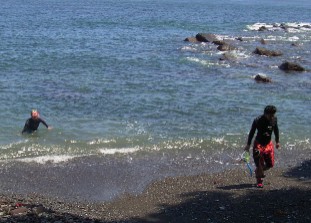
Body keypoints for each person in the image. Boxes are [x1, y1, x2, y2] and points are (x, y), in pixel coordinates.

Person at [244, 105, 280, 188]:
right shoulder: (257, 120)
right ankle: (259, 180)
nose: (272, 117)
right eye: (270, 115)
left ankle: (258, 171)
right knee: (259, 163)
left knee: (270, 164)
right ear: (265, 114)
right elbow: (252, 132)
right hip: (259, 144)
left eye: (273, 115)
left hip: (268, 144)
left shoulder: (274, 119)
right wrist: (248, 145)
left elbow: (276, 130)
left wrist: (277, 141)